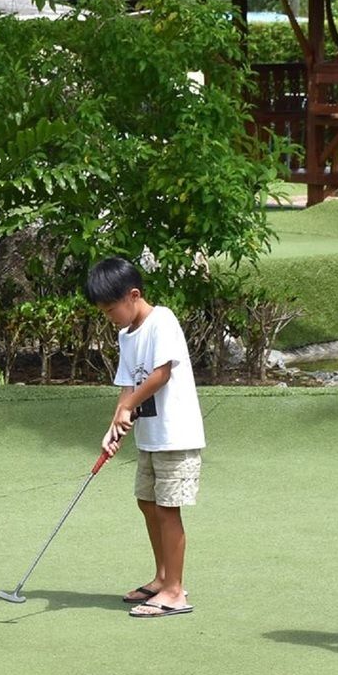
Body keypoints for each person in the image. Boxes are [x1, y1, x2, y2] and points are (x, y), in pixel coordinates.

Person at [86, 257, 205, 619]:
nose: (110, 317)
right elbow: (128, 384)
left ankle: (175, 592)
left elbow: (160, 374)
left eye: (111, 309)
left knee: (168, 509)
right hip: (150, 437)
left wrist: (129, 407)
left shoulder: (162, 320)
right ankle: (161, 578)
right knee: (147, 503)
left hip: (176, 434)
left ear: (134, 295)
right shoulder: (126, 334)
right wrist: (115, 424)